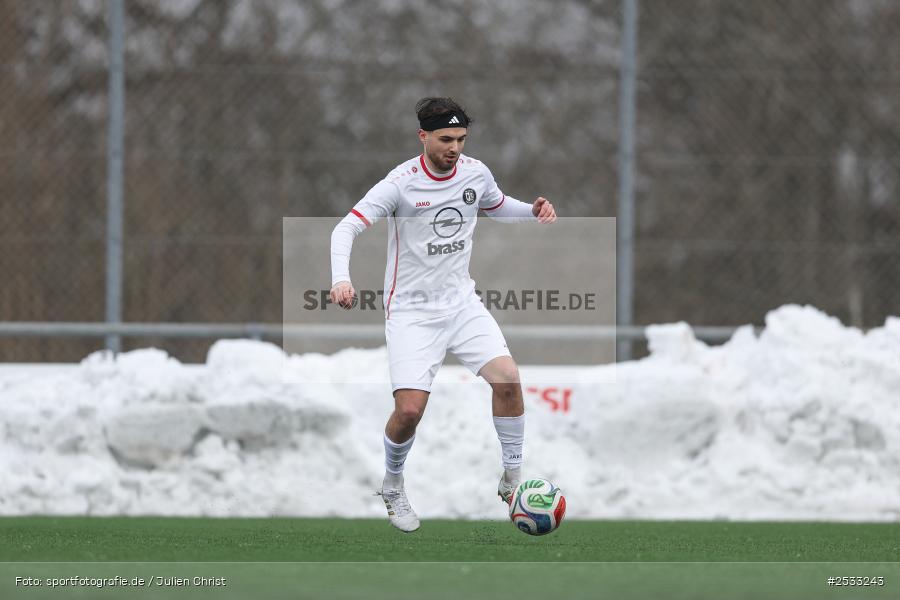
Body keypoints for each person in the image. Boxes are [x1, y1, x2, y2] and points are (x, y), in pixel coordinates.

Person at [329, 97, 557, 532]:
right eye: (446, 139)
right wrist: (341, 278)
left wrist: (532, 210)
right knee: (410, 411)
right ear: (424, 137)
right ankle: (393, 484)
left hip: (461, 303)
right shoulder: (399, 184)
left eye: (461, 139)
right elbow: (347, 227)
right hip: (412, 311)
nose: (455, 147)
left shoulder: (475, 173)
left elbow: (495, 205)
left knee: (508, 378)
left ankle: (512, 481)